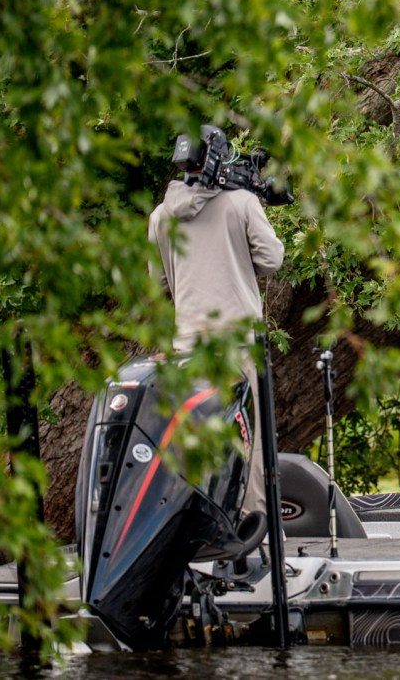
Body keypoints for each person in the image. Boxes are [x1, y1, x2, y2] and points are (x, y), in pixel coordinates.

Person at [148, 145, 285, 524]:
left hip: (188, 347)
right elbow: (272, 259)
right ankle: (255, 526)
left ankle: (198, 527)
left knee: (195, 439)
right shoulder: (242, 203)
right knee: (252, 439)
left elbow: (157, 282)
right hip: (239, 344)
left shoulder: (160, 216)